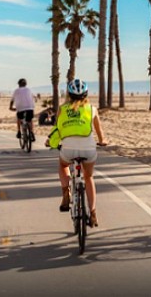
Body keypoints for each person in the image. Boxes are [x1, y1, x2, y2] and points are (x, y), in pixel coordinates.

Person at [46, 78, 107, 227]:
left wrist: (50, 141)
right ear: (86, 95)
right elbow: (99, 131)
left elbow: (58, 128)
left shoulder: (62, 108)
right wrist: (102, 140)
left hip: (68, 149)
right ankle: (92, 214)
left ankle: (66, 194)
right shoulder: (92, 109)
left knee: (63, 165)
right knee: (88, 177)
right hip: (88, 149)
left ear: (69, 94)